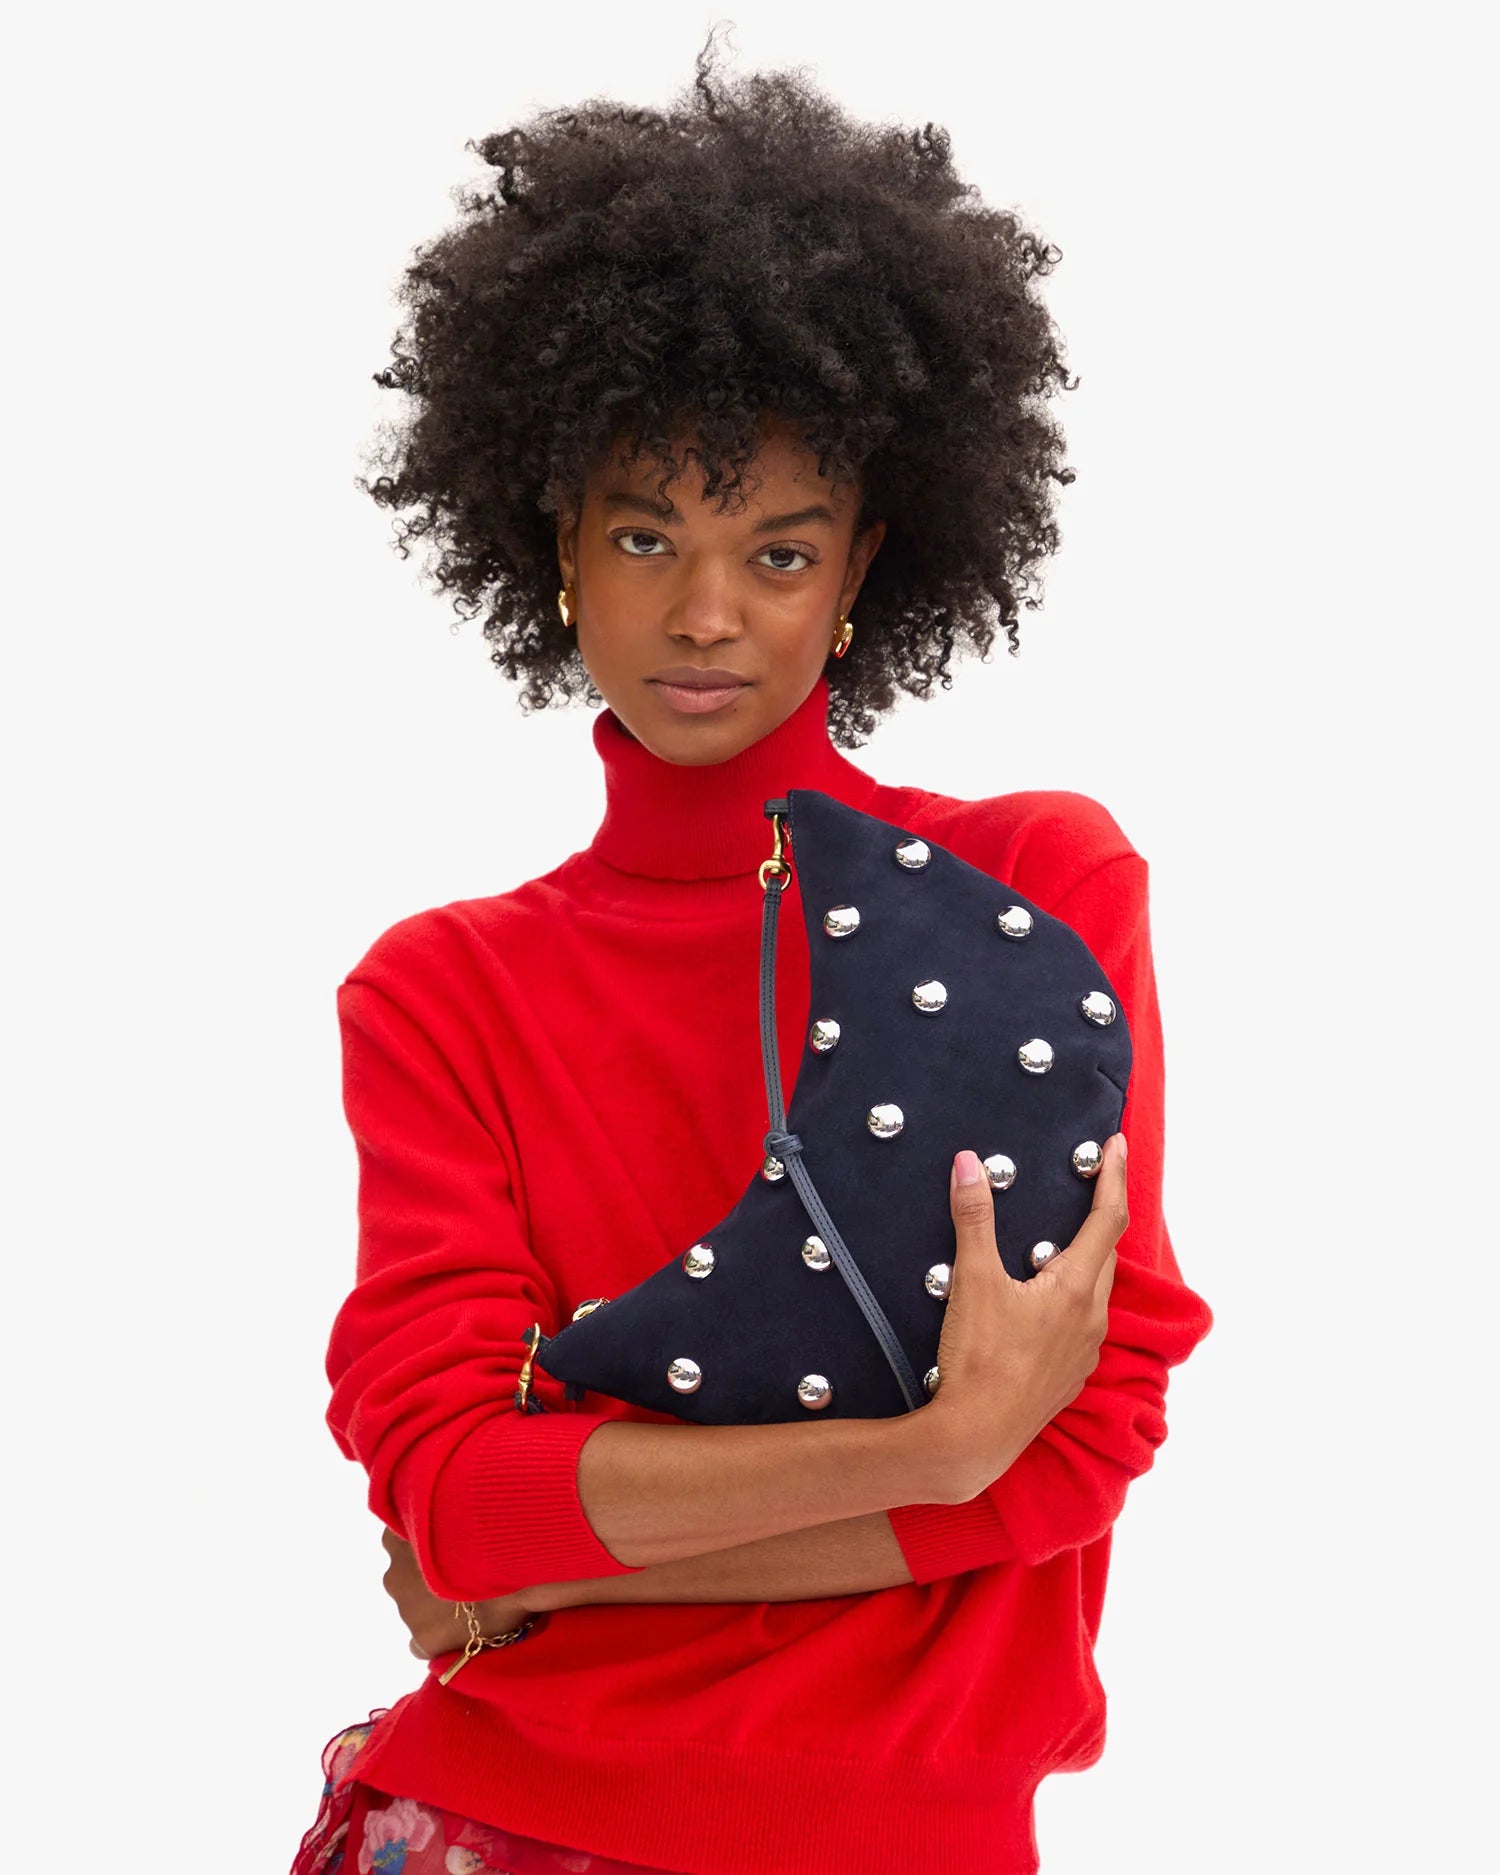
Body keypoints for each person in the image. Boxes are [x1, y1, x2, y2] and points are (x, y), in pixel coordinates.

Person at [291, 34, 1214, 1875]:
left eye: (778, 551)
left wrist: (578, 1568)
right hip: (494, 1828)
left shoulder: (1027, 881)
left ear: (867, 560)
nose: (706, 614)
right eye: (647, 535)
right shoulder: (442, 990)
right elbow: (462, 1506)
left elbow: (1086, 1431)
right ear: (555, 545)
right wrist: (927, 1456)